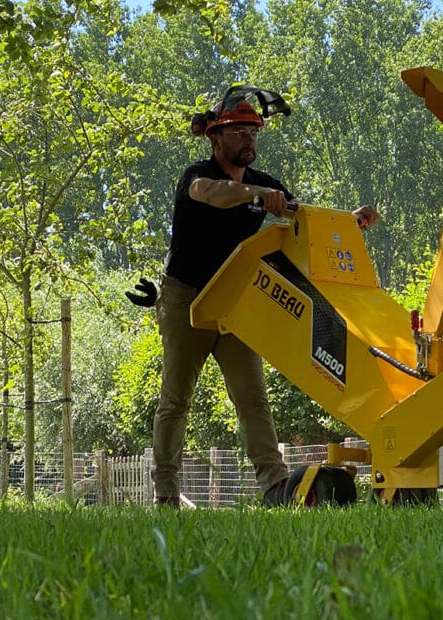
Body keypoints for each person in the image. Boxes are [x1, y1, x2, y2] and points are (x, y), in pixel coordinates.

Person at [143, 87, 378, 508]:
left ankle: (274, 488)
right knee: (176, 399)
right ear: (215, 139)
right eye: (239, 132)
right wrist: (254, 197)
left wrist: (350, 221)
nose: (249, 139)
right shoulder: (195, 176)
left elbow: (304, 216)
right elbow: (213, 194)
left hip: (235, 300)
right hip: (186, 300)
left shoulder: (266, 185)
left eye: (253, 131)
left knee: (252, 398)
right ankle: (165, 494)